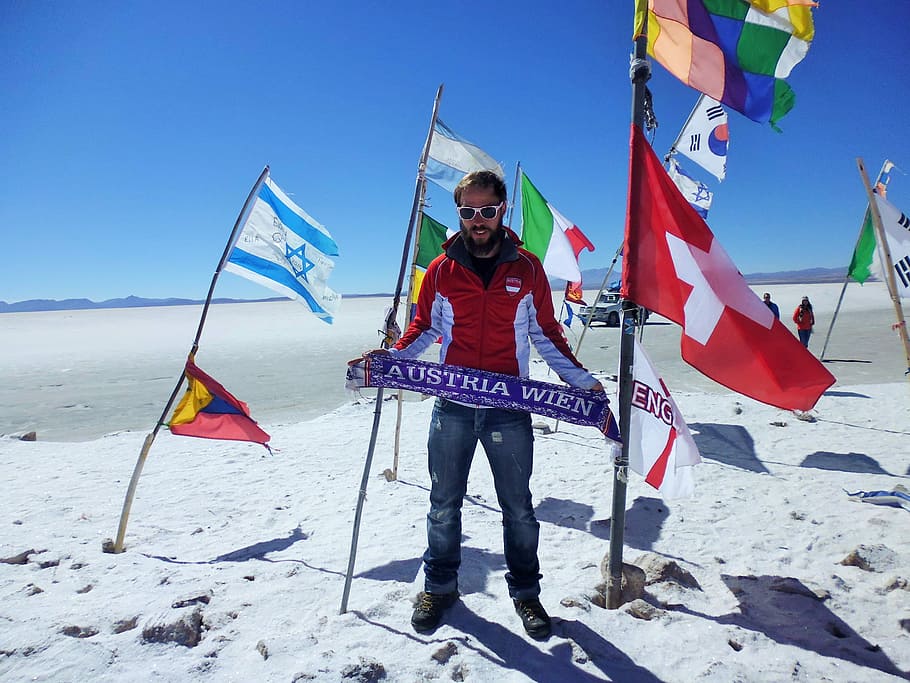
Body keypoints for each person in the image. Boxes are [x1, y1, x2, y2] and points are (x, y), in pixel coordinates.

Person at [384, 170, 602, 639]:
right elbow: (422, 328)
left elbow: (546, 334)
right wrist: (389, 361)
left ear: (502, 210)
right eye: (468, 211)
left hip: (509, 406)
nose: (477, 220)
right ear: (458, 213)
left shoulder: (526, 269)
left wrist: (583, 383)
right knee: (443, 503)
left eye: (486, 210)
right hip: (454, 406)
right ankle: (440, 587)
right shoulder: (442, 270)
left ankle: (526, 594)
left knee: (518, 507)